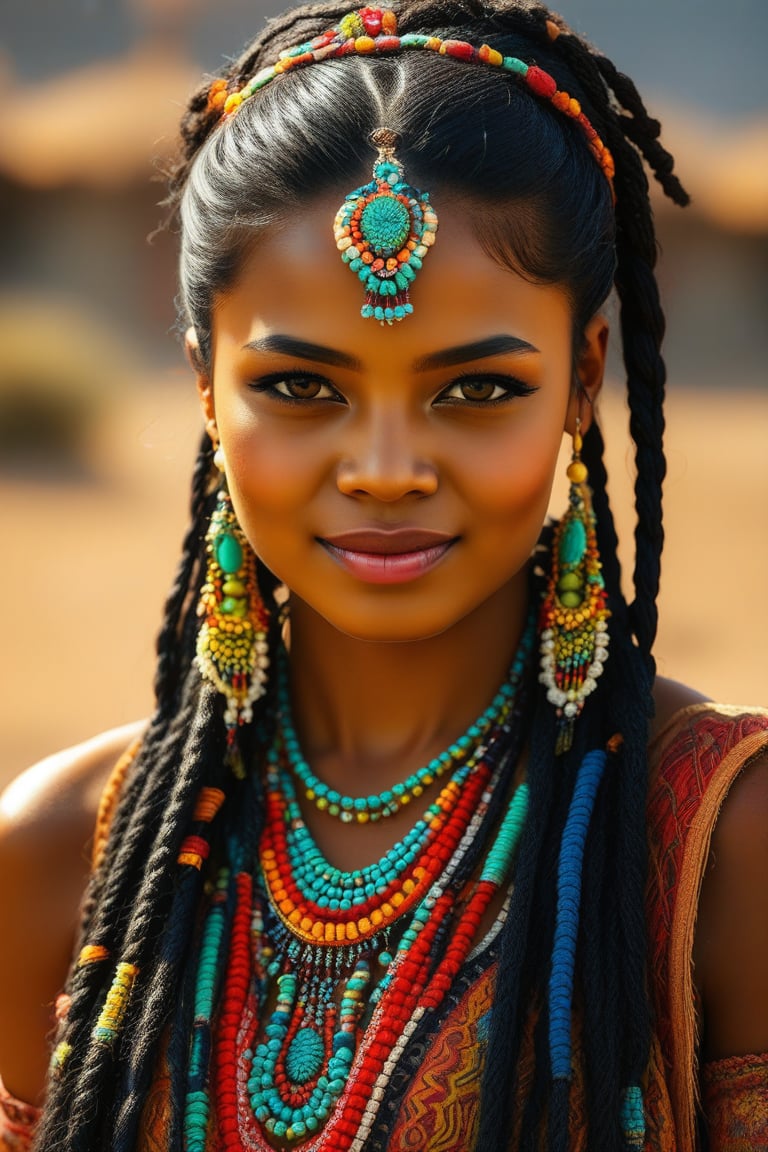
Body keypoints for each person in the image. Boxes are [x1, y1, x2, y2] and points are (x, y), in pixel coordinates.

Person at [1, 1, 767, 1148]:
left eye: (477, 390)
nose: (387, 469)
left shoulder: (718, 847)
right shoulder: (65, 855)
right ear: (206, 385)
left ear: (581, 379)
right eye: (304, 390)